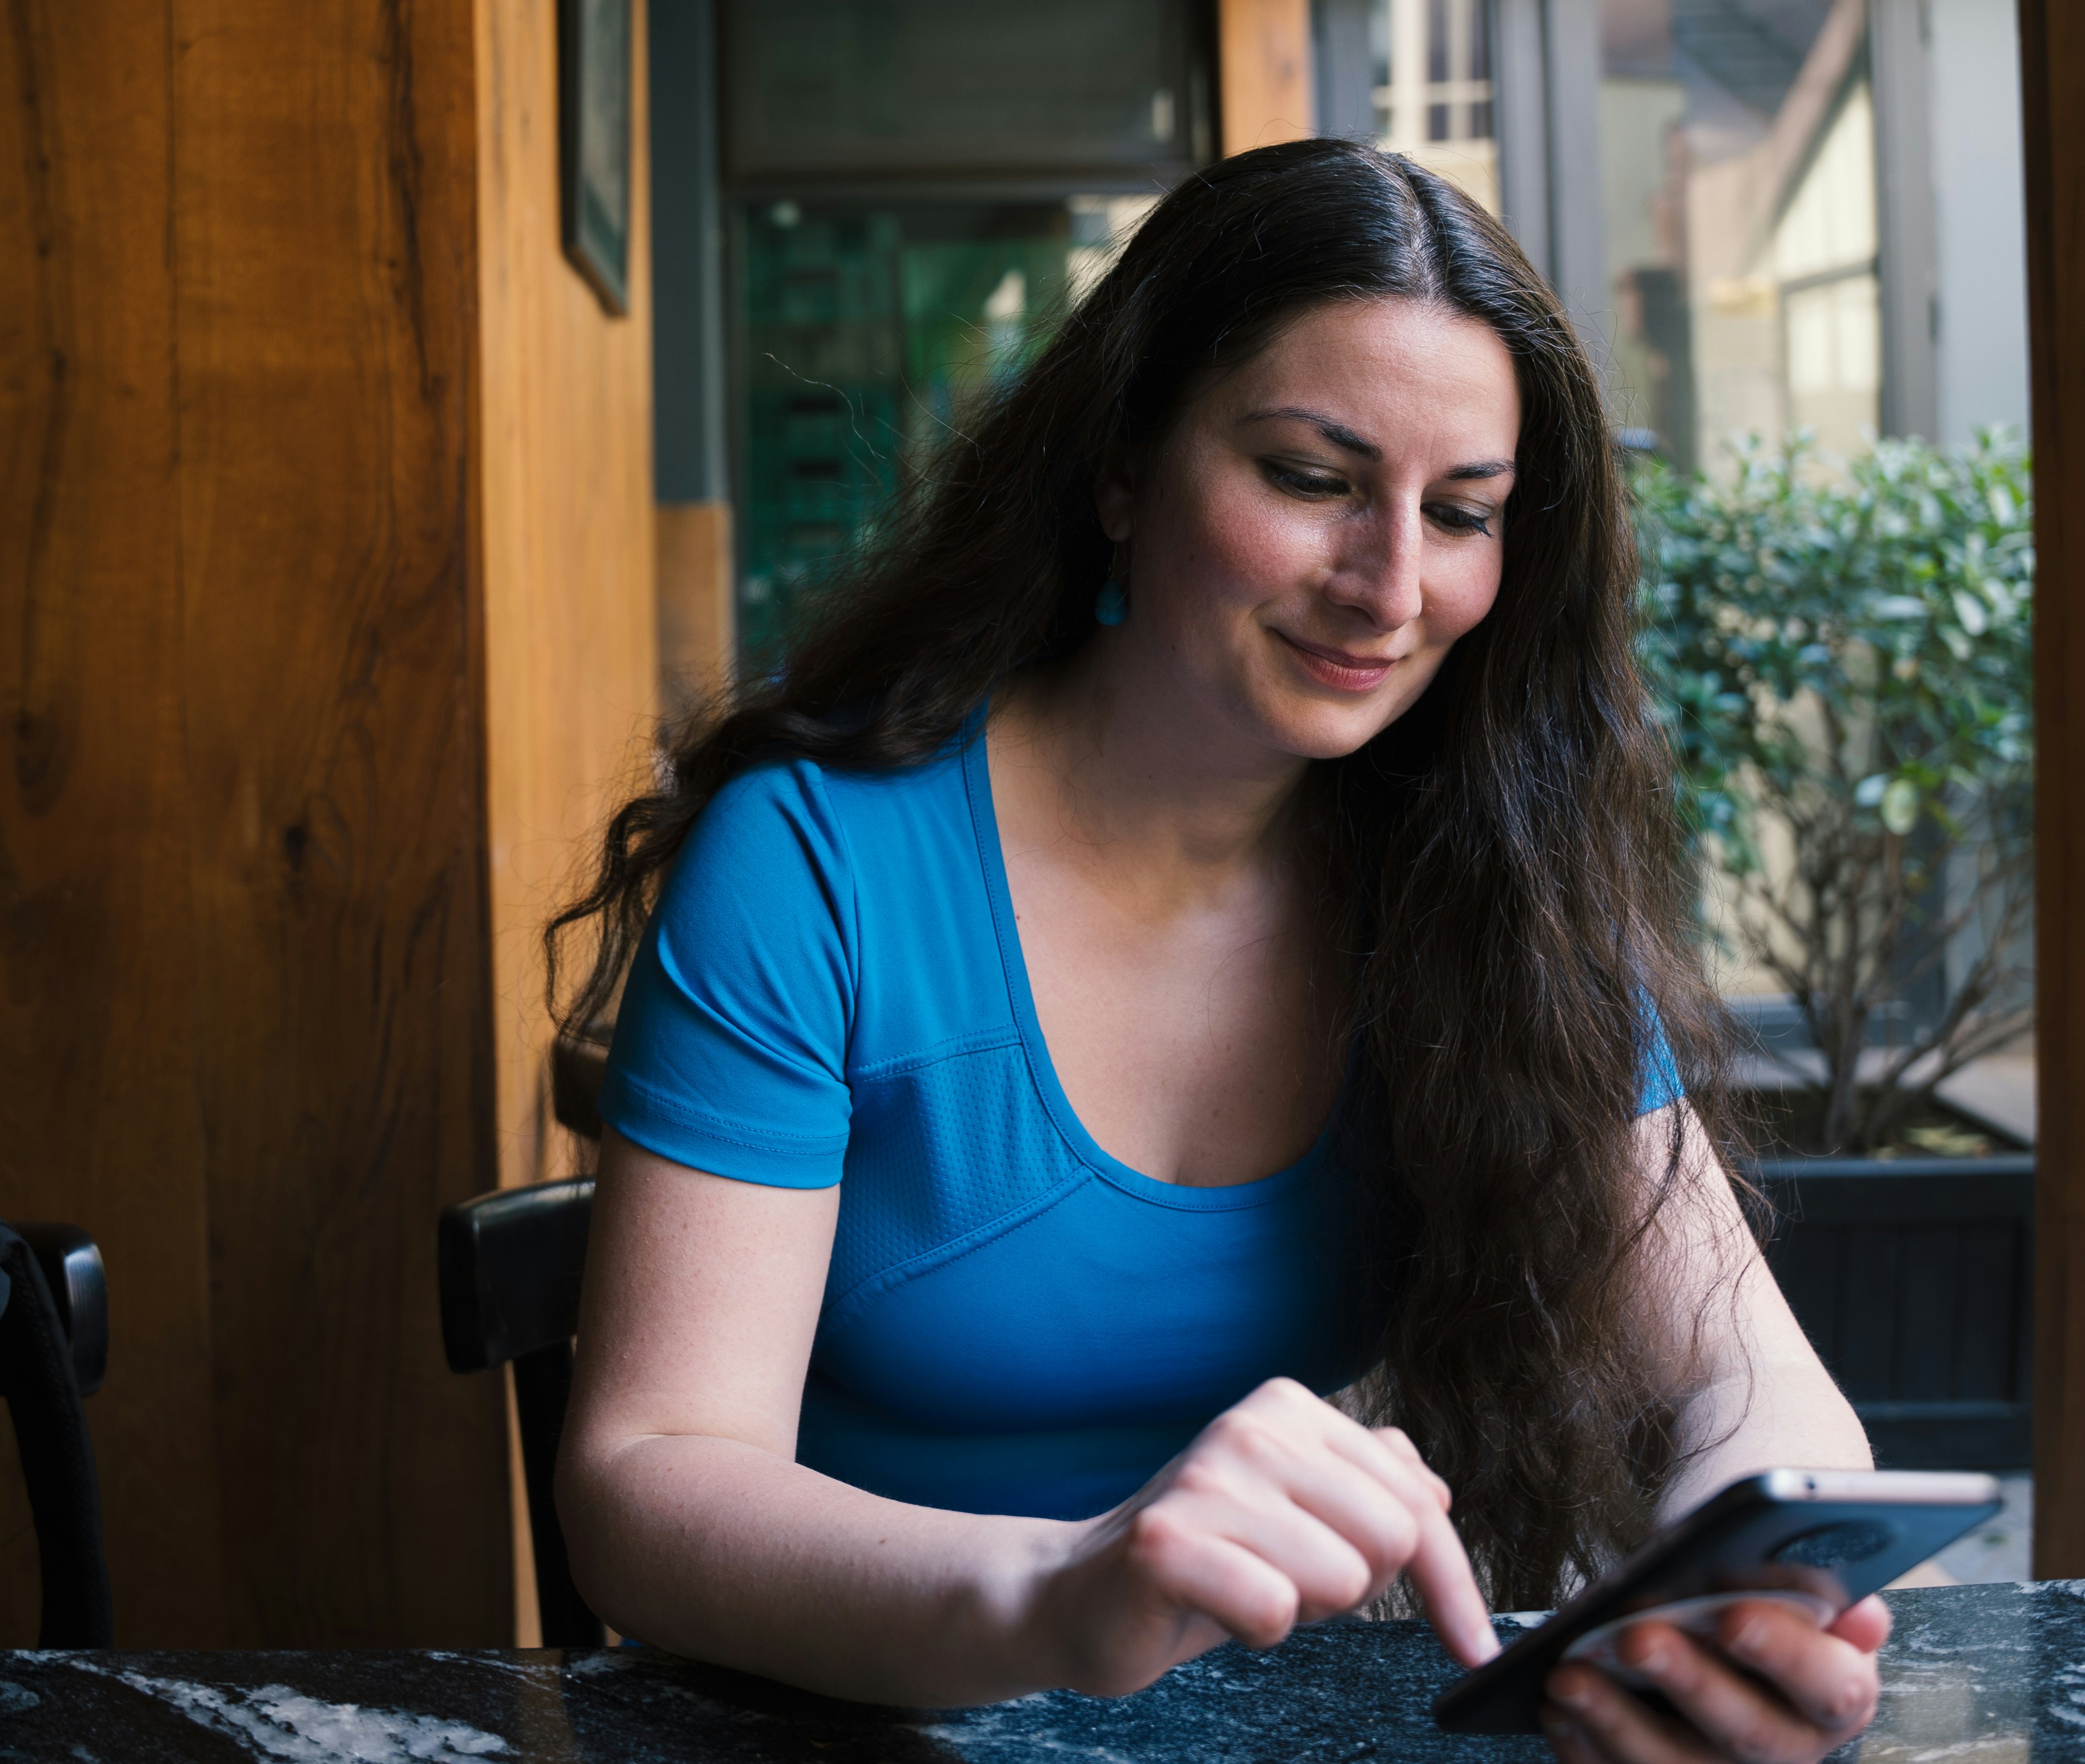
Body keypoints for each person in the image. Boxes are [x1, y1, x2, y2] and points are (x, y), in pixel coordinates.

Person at [548, 140, 1890, 1763]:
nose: (1390, 587)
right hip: (842, 1730)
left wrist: (1739, 1587)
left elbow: (1757, 1386)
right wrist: (1064, 1591)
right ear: (1123, 466)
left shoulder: (1489, 885)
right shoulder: (817, 862)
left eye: (1462, 513)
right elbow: (648, 1479)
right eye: (1313, 480)